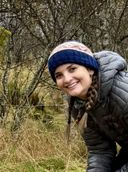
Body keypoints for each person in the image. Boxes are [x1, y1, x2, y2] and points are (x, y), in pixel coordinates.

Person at [47, 41, 128, 172]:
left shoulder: (121, 89)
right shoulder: (79, 105)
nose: (67, 79)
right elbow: (100, 149)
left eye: (72, 69)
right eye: (59, 75)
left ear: (90, 69)